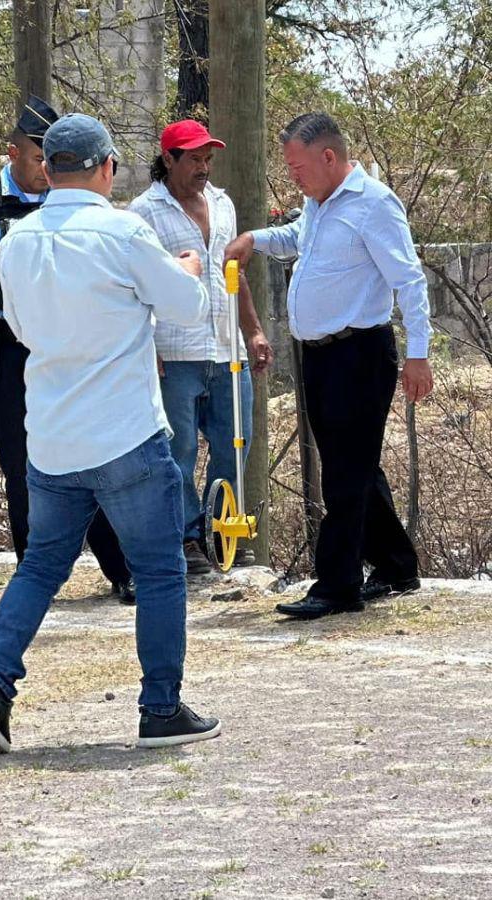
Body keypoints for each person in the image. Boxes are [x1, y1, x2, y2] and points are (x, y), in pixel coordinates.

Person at [0, 113, 221, 752]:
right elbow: (187, 308)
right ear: (107, 168)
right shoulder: (123, 231)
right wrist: (186, 266)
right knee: (160, 570)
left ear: (47, 170)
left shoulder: (17, 241)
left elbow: (18, 326)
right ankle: (160, 708)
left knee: (41, 565)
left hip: (51, 437)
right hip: (126, 432)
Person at [224, 111, 433, 620]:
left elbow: (410, 281)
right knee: (355, 465)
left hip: (360, 353)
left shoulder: (375, 205)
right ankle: (397, 565)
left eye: (297, 166)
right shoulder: (318, 205)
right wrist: (255, 238)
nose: (292, 175)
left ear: (329, 157)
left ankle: (338, 586)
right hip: (320, 357)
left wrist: (419, 354)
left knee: (344, 472)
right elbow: (298, 237)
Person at [0, 97, 135, 603]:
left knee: (97, 455)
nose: (47, 169)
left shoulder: (70, 197)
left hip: (75, 345)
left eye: (53, 159)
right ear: (13, 153)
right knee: (22, 465)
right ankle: (37, 577)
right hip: (8, 350)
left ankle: (122, 570)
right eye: (36, 158)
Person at [129, 120, 273, 574]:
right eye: (194, 158)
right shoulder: (142, 212)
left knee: (236, 444)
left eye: (208, 159)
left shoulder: (223, 204)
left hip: (226, 349)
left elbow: (235, 274)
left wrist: (253, 331)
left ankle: (221, 533)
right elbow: (135, 286)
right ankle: (187, 540)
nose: (204, 167)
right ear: (168, 159)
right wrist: (143, 344)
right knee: (180, 451)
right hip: (174, 350)